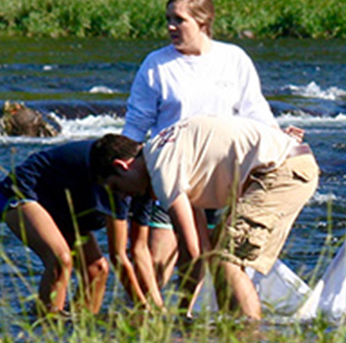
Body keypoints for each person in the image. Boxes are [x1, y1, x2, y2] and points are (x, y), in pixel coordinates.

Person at [121, 0, 298, 288]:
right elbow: (137, 124)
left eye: (179, 20)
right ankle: (149, 321)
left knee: (216, 260)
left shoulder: (233, 58)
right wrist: (125, 162)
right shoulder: (156, 65)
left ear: (203, 22)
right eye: (167, 19)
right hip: (170, 173)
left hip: (222, 174)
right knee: (159, 261)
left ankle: (196, 323)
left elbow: (254, 109)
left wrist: (277, 137)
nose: (170, 27)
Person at [93, 117, 318, 319]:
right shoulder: (162, 151)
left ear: (121, 166)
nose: (124, 196)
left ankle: (248, 339)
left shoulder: (161, 170)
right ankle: (230, 330)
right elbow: (201, 248)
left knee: (226, 259)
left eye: (116, 188)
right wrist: (186, 310)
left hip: (282, 171)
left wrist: (181, 314)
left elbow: (190, 251)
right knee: (219, 254)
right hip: (282, 166)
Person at [0, 138, 144, 317]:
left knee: (97, 268)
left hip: (62, 204)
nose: (123, 194)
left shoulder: (142, 180)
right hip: (22, 192)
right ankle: (48, 328)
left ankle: (82, 331)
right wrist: (144, 308)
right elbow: (119, 257)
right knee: (60, 260)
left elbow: (141, 250)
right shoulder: (114, 181)